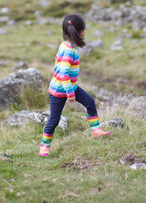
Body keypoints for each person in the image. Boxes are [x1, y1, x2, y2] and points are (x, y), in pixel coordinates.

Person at [39, 13, 111, 157]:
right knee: (54, 119)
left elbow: (61, 70)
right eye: (84, 29)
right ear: (80, 31)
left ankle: (96, 130)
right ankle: (44, 147)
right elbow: (64, 73)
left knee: (90, 102)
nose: (85, 32)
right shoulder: (68, 51)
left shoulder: (67, 45)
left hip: (69, 86)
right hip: (60, 90)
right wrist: (70, 93)